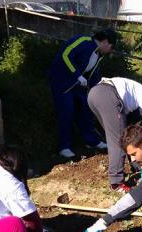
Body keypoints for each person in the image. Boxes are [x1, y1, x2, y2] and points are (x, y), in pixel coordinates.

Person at [87, 77, 142, 192]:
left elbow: (129, 133)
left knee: (117, 138)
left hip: (94, 94)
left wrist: (134, 162)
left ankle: (120, 173)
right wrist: (138, 161)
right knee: (119, 141)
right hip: (109, 96)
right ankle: (117, 183)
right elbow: (128, 134)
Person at [49, 28, 118, 158]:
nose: (111, 50)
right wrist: (77, 75)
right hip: (62, 82)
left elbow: (94, 76)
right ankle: (64, 146)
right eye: (111, 46)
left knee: (86, 109)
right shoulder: (83, 41)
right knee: (66, 112)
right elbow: (65, 55)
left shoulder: (97, 55)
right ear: (105, 41)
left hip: (78, 85)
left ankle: (91, 141)